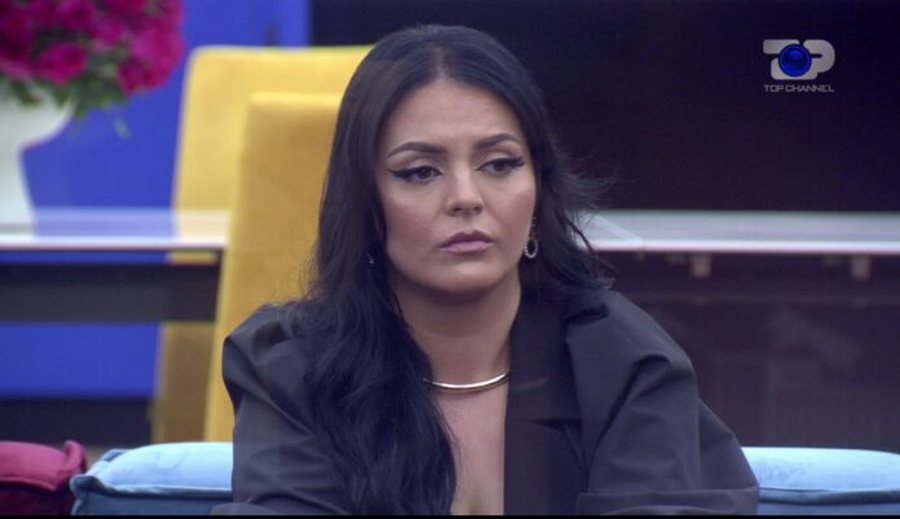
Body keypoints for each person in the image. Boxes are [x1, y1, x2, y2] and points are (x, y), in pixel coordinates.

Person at [213, 24, 759, 515]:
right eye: (420, 172)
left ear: (539, 188)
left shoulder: (622, 363)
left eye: (500, 164)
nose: (466, 197)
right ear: (365, 203)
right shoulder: (294, 368)